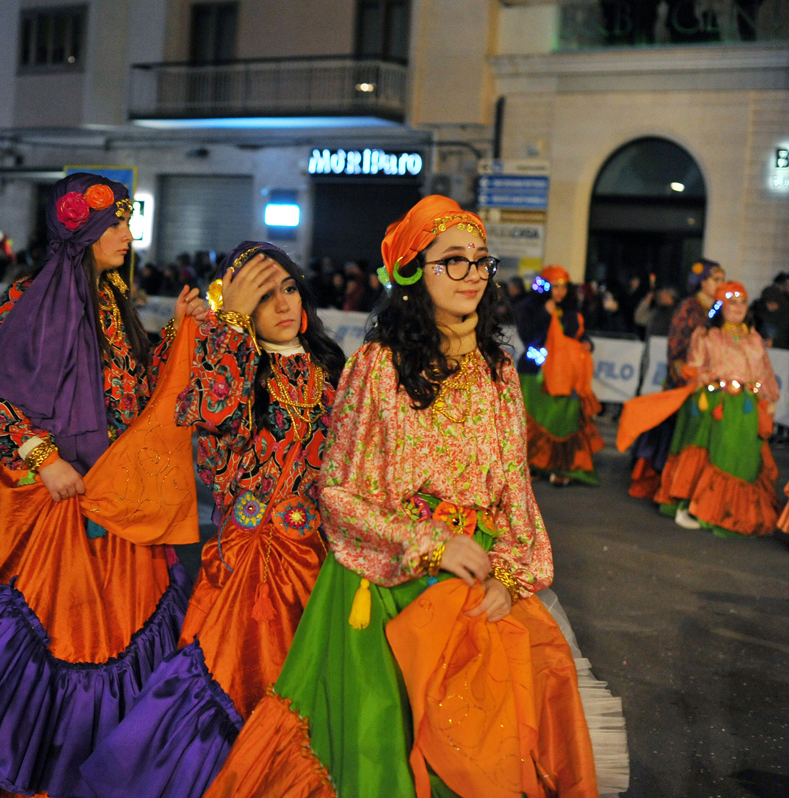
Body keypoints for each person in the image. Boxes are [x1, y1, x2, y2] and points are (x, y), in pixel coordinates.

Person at [203, 196, 600, 798]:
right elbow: (340, 492)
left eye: (480, 260)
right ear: (413, 271)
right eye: (453, 260)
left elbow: (516, 492)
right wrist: (430, 543)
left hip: (477, 580)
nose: (472, 274)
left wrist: (509, 579)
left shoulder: (498, 370)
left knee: (483, 750)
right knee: (384, 753)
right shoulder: (377, 366)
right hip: (388, 583)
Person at [0, 173, 207, 798]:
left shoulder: (115, 298)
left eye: (127, 223)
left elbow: (138, 390)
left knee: (126, 632)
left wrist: (178, 332)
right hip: (61, 502)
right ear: (85, 230)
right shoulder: (33, 296)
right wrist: (43, 456)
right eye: (116, 224)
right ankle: (46, 767)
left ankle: (108, 767)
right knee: (63, 636)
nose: (128, 235)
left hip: (119, 497)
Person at [78, 242, 346, 798]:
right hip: (251, 564)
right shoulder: (227, 366)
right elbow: (217, 417)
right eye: (263, 296)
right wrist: (230, 326)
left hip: (321, 562)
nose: (283, 305)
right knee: (237, 680)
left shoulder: (330, 365)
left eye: (289, 289)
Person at [622, 282, 780, 535]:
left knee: (742, 459)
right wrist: (701, 381)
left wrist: (769, 400)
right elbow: (694, 368)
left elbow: (765, 373)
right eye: (732, 302)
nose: (738, 307)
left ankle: (727, 514)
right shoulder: (706, 335)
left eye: (742, 302)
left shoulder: (754, 338)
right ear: (720, 306)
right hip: (715, 404)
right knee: (709, 457)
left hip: (746, 408)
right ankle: (689, 508)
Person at [628, 259, 724, 499]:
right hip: (686, 379)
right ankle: (670, 483)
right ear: (701, 282)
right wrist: (681, 369)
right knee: (676, 431)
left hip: (709, 381)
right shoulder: (689, 306)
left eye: (722, 280)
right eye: (715, 279)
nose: (720, 284)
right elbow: (677, 342)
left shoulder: (717, 307)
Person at [515, 265, 603, 486]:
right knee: (536, 420)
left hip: (566, 375)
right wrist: (545, 314)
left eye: (564, 287)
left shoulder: (571, 309)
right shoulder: (529, 307)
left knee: (564, 420)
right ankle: (533, 465)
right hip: (536, 373)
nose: (560, 292)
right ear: (545, 287)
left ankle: (560, 466)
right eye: (555, 286)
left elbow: (579, 334)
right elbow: (527, 335)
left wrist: (587, 343)